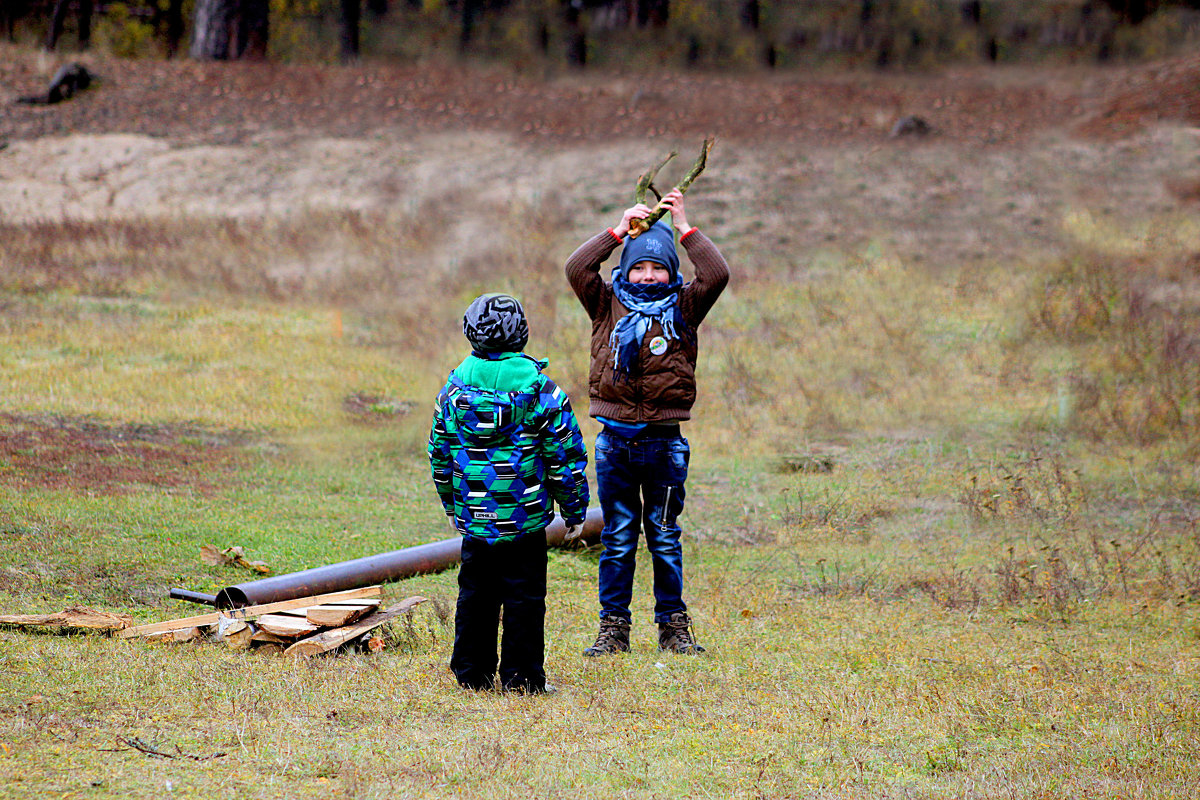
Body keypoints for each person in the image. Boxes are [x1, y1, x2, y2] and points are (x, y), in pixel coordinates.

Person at [564, 188, 729, 656]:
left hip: (664, 444)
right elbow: (577, 268)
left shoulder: (684, 306)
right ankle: (613, 629)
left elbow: (717, 273)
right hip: (615, 444)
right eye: (640, 265)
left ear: (672, 272)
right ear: (625, 269)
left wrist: (684, 227)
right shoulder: (605, 302)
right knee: (617, 539)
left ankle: (673, 628)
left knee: (663, 536)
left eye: (659, 267)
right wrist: (618, 231)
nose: (650, 275)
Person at [428, 293, 590, 693]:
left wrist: (451, 504)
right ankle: (523, 680)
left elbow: (440, 451)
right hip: (526, 519)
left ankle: (471, 674)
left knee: (475, 595)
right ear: (522, 334)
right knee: (525, 599)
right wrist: (574, 510)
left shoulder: (453, 388)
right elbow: (564, 457)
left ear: (470, 334)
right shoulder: (541, 391)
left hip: (476, 519)